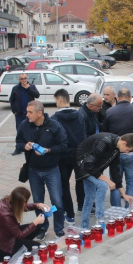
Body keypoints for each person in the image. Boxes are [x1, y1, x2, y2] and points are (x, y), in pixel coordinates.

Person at [15, 100, 67, 239]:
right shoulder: (24, 125)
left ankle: (59, 228)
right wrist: (24, 146)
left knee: (57, 201)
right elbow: (18, 142)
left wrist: (48, 150)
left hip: (52, 169)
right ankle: (42, 228)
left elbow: (63, 146)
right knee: (38, 201)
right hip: (33, 170)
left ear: (40, 113)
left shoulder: (54, 126)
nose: (27, 115)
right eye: (27, 111)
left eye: (30, 112)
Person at [75, 133, 133, 228]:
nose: (126, 153)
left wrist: (124, 194)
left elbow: (115, 172)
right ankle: (100, 221)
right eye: (127, 150)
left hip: (92, 167)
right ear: (124, 143)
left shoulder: (117, 148)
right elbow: (88, 165)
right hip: (82, 164)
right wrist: (107, 180)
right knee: (103, 185)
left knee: (89, 197)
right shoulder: (104, 142)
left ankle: (84, 227)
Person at [103, 88, 133, 207]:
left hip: (115, 153)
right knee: (131, 183)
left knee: (115, 181)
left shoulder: (110, 111)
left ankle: (116, 209)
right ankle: (129, 208)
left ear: (118, 98)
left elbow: (105, 131)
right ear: (130, 98)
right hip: (132, 153)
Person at [50, 89, 86, 224]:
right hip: (78, 154)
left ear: (59, 100)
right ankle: (82, 206)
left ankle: (69, 214)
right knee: (80, 180)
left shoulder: (54, 119)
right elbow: (83, 136)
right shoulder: (79, 116)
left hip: (62, 156)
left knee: (63, 184)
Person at [0, 187, 48, 261]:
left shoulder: (9, 199)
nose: (26, 203)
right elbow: (20, 235)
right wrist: (35, 222)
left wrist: (38, 205)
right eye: (26, 201)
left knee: (37, 227)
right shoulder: (5, 215)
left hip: (7, 236)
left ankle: (22, 245)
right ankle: (5, 257)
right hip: (3, 246)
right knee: (38, 247)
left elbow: (24, 206)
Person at [77, 93, 104, 212]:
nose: (101, 108)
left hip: (93, 149)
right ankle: (82, 204)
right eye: (99, 106)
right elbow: (83, 136)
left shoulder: (92, 113)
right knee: (83, 178)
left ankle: (88, 201)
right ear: (92, 105)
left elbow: (96, 126)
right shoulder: (82, 115)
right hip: (85, 152)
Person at [9, 73, 40, 154]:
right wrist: (14, 110)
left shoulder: (31, 87)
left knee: (31, 130)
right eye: (22, 79)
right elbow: (11, 100)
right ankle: (18, 148)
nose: (24, 80)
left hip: (30, 114)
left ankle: (32, 147)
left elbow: (37, 95)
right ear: (19, 80)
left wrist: (28, 88)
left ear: (27, 79)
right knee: (19, 130)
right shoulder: (16, 88)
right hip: (19, 113)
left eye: (25, 78)